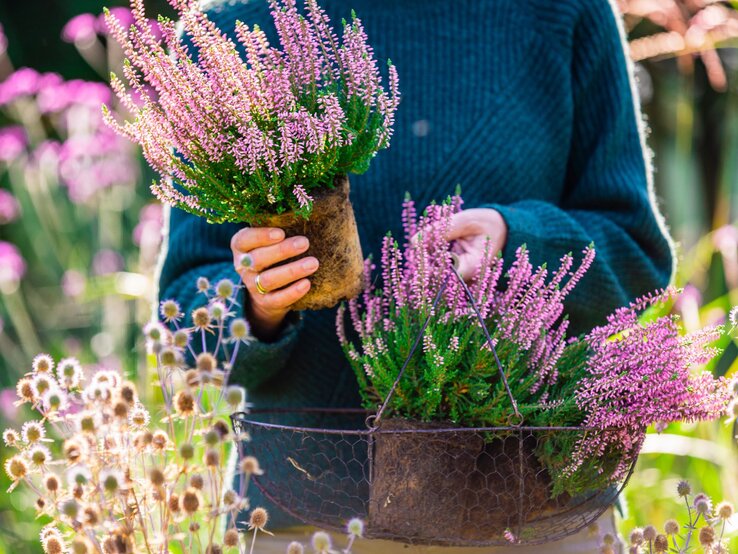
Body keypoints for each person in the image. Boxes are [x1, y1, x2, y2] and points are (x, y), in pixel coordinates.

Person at [157, 0, 674, 551]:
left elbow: (636, 254)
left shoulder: (560, 12)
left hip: (531, 505)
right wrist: (259, 303)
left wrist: (519, 245)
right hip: (308, 513)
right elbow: (187, 306)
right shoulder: (235, 30)